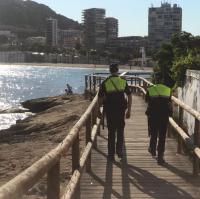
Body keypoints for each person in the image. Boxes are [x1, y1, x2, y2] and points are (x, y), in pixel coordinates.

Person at [97, 63, 132, 160]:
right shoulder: (123, 82)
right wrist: (129, 110)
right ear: (117, 70)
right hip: (121, 110)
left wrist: (98, 110)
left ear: (109, 70)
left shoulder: (105, 82)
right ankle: (119, 150)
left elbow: (99, 98)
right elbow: (129, 95)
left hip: (109, 110)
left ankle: (111, 154)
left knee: (111, 132)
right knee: (120, 130)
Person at [145, 74, 173, 165]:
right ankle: (160, 156)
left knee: (153, 132)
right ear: (163, 80)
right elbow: (169, 101)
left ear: (155, 80)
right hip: (164, 116)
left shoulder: (150, 89)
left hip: (153, 115)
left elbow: (147, 100)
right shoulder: (168, 90)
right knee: (162, 136)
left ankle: (152, 149)